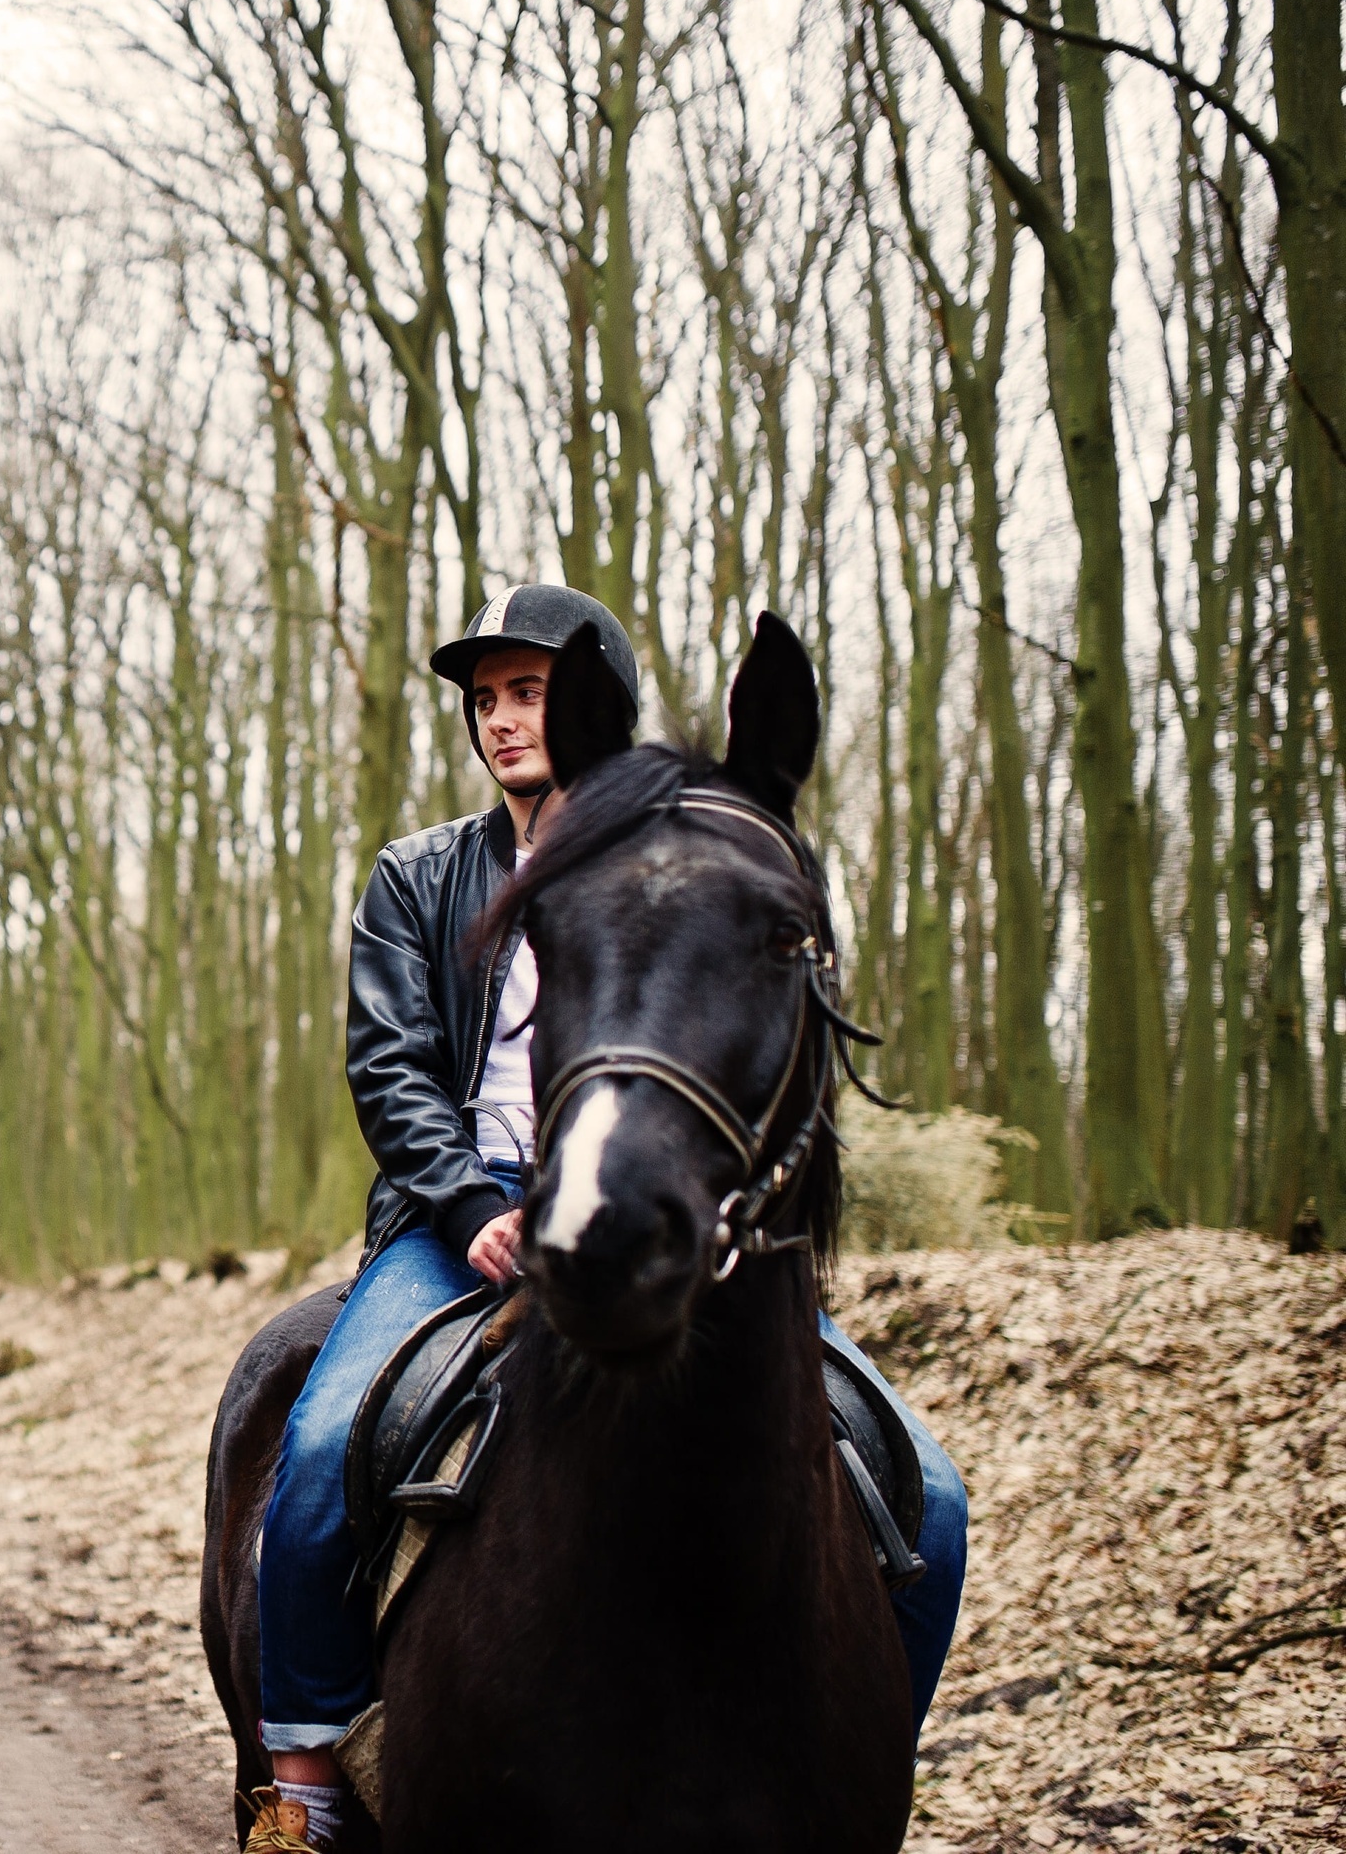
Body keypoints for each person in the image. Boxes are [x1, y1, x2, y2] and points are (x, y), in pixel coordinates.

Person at [240, 585, 969, 1854]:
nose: (503, 719)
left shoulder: (666, 862)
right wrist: (471, 1203)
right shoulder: (421, 875)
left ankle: (854, 1766)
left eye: (528, 692)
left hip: (674, 1219)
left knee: (936, 1498)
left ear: (584, 711)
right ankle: (301, 1783)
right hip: (453, 1223)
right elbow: (391, 1066)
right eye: (485, 699)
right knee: (312, 1453)